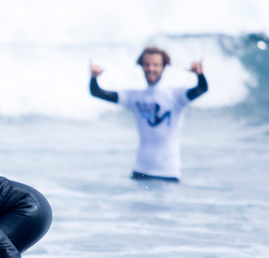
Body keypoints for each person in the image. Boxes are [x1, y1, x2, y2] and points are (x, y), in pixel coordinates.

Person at [89, 46, 208, 181]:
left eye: (155, 65)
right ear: (141, 66)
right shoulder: (135, 97)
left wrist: (200, 75)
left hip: (168, 174)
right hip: (140, 173)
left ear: (164, 67)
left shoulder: (176, 96)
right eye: (146, 65)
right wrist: (94, 78)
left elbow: (202, 89)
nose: (150, 68)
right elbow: (97, 92)